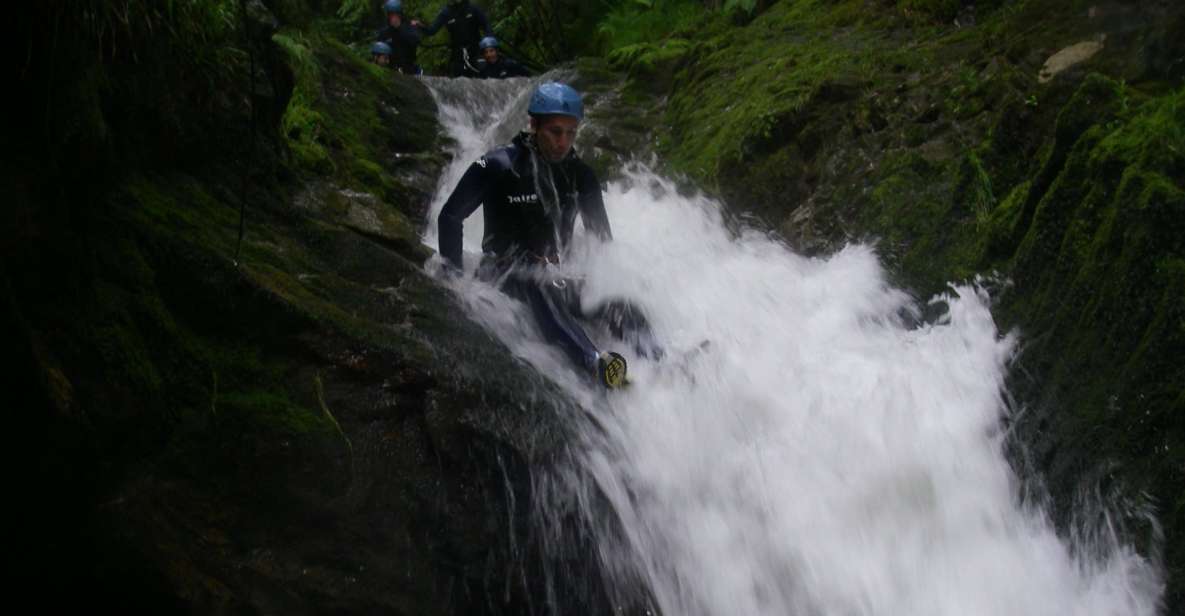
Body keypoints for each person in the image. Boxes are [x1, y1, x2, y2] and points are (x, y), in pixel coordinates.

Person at [437, 83, 660, 389]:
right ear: (534, 125)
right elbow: (450, 216)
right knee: (539, 286)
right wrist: (452, 279)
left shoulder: (581, 176)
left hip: (556, 272)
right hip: (503, 274)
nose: (563, 142)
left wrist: (604, 281)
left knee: (618, 304)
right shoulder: (498, 164)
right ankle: (594, 363)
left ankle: (660, 362)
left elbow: (601, 241)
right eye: (555, 132)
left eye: (571, 133)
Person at [414, 0, 490, 77]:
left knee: (482, 74)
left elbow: (486, 25)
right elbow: (431, 31)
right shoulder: (446, 12)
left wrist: (488, 43)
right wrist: (419, 25)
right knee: (459, 79)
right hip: (458, 54)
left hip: (476, 50)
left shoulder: (472, 8)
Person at [376, 0, 422, 75]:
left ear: (399, 15)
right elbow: (378, 52)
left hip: (409, 69)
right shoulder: (384, 32)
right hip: (391, 70)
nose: (391, 17)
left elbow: (416, 40)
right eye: (389, 15)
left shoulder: (410, 27)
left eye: (393, 14)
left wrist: (399, 28)